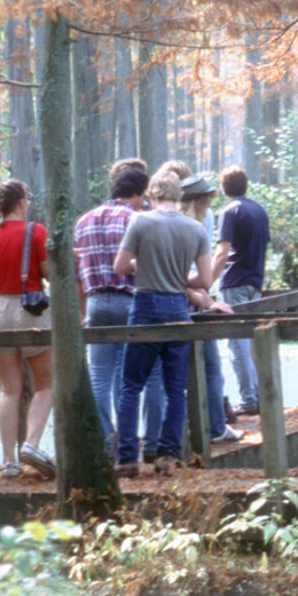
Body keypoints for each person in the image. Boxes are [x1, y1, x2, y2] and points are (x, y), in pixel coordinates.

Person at [112, 172, 218, 473]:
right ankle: (167, 455)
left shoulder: (141, 222)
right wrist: (178, 277)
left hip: (146, 304)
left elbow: (120, 266)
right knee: (175, 388)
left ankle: (128, 457)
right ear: (179, 196)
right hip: (178, 308)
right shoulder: (196, 228)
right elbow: (206, 279)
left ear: (151, 194)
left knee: (131, 385)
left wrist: (143, 263)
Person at [0, 179, 55, 480]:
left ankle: (8, 461)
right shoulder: (37, 231)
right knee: (45, 385)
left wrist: (0, 303)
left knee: (9, 389)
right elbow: (48, 274)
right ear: (20, 202)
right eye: (27, 198)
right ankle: (31, 444)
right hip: (32, 311)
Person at [73, 166, 149, 453]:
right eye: (144, 196)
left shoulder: (84, 221)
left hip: (95, 301)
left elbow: (78, 275)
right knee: (126, 375)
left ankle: (104, 439)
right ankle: (128, 440)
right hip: (128, 300)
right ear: (137, 192)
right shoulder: (135, 219)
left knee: (99, 374)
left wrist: (83, 312)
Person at [180, 174, 242, 444]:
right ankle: (215, 428)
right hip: (191, 304)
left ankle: (180, 433)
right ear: (201, 201)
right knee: (211, 368)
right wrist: (203, 297)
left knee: (174, 374)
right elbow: (197, 276)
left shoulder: (171, 224)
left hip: (178, 301)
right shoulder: (193, 227)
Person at [210, 165, 269, 417]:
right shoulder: (260, 210)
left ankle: (248, 400)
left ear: (224, 188)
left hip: (235, 280)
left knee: (238, 344)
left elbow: (223, 252)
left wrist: (206, 280)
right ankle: (258, 395)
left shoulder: (230, 211)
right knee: (251, 341)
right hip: (255, 280)